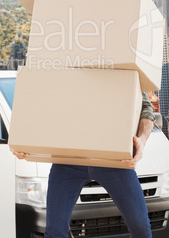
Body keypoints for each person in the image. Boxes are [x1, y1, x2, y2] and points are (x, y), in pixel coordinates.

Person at [10, 91, 155, 238]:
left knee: (141, 228)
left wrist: (141, 140)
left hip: (114, 160)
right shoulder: (60, 69)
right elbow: (36, 102)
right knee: (54, 232)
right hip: (68, 161)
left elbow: (146, 108)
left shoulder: (123, 71)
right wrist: (21, 140)